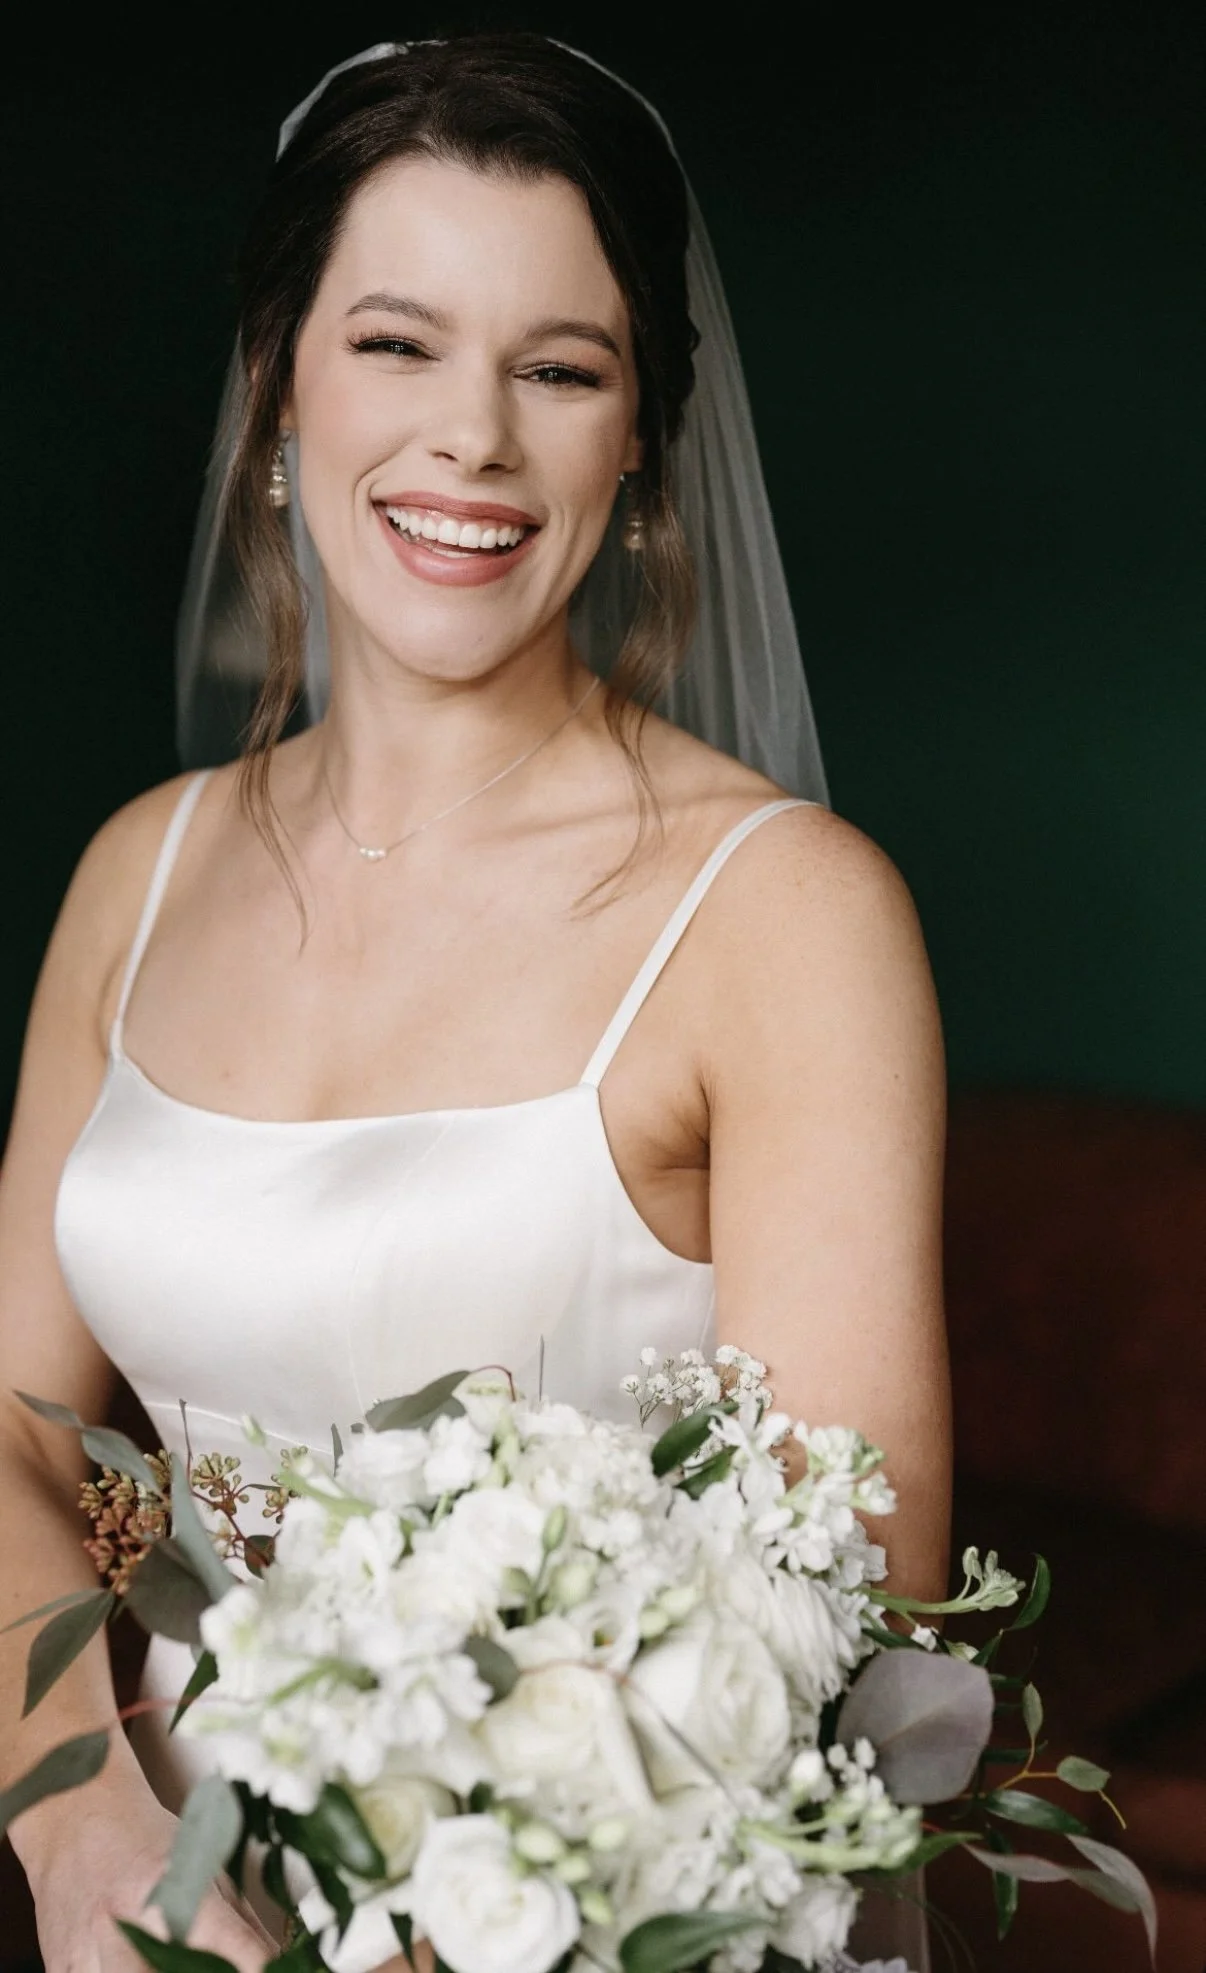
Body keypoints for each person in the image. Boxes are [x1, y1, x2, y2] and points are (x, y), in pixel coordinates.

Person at [0, 34, 949, 1973]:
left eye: (562, 368)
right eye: (396, 343)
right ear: (280, 381)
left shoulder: (789, 919)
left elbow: (855, 1576)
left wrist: (485, 1897)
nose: (475, 441)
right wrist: (84, 1808)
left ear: (640, 442)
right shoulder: (137, 871)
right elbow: (22, 1432)